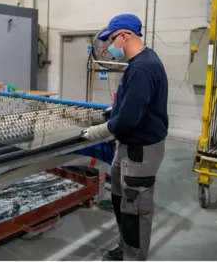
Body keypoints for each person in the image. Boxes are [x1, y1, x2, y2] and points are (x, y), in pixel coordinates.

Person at [82, 13, 169, 261]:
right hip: (127, 145)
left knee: (135, 208)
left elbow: (130, 119)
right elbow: (132, 103)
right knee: (120, 197)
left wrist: (97, 131)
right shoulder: (138, 63)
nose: (109, 47)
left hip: (141, 149)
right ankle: (126, 247)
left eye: (111, 40)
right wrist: (113, 111)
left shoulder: (143, 67)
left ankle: (134, 257)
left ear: (124, 36)